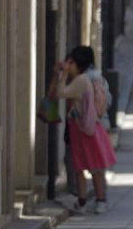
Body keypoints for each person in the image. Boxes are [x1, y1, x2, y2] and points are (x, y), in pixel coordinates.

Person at [50, 46, 118, 215]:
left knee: (87, 166)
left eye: (71, 62)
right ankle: (91, 201)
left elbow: (60, 93)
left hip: (85, 128)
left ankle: (94, 201)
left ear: (79, 63)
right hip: (88, 126)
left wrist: (62, 75)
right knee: (87, 166)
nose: (68, 65)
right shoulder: (93, 78)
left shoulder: (81, 80)